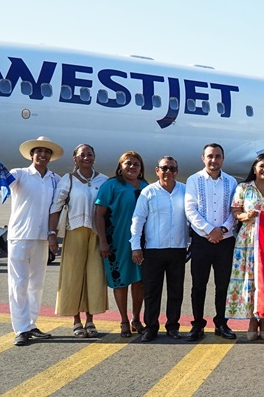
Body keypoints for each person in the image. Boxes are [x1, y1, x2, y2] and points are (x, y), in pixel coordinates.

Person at [0, 136, 62, 346]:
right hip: (20, 235)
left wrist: (53, 234)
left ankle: (31, 323)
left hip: (42, 237)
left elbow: (55, 209)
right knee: (18, 282)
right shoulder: (19, 174)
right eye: (39, 151)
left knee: (36, 284)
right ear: (32, 154)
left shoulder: (54, 179)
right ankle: (20, 328)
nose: (43, 154)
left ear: (51, 156)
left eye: (47, 152)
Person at [48, 144, 107, 338]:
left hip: (96, 233)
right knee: (73, 275)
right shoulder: (69, 180)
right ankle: (76, 320)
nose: (86, 158)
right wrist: (52, 235)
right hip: (75, 230)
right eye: (82, 155)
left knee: (94, 275)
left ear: (94, 157)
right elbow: (55, 208)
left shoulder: (103, 180)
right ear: (75, 159)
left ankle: (90, 319)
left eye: (90, 154)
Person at [227, 154, 264, 341]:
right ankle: (252, 319)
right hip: (248, 239)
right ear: (254, 169)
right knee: (249, 279)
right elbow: (235, 212)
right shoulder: (244, 188)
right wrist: (246, 216)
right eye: (262, 166)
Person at [130, 157, 188, 342]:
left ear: (176, 171)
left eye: (172, 168)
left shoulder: (185, 190)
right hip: (153, 249)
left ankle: (173, 326)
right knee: (152, 292)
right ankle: (151, 327)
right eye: (164, 168)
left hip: (178, 248)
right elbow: (138, 220)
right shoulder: (148, 192)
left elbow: (192, 217)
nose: (168, 172)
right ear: (157, 170)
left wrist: (191, 243)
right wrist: (135, 246)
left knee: (176, 291)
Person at [184, 143, 239, 341]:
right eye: (210, 156)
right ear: (203, 158)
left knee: (223, 285)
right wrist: (210, 231)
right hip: (202, 240)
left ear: (223, 159)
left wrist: (223, 230)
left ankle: (221, 323)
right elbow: (190, 210)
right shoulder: (193, 180)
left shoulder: (231, 182)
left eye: (217, 156)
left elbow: (235, 209)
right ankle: (198, 324)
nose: (213, 160)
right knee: (198, 285)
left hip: (225, 241)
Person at [95, 151, 147, 338]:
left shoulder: (146, 186)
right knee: (121, 281)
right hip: (116, 241)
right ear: (120, 166)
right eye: (128, 163)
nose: (132, 167)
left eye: (136, 164)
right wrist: (102, 241)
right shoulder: (110, 186)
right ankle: (124, 320)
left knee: (139, 281)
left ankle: (136, 319)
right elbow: (99, 215)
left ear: (141, 168)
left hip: (141, 242)